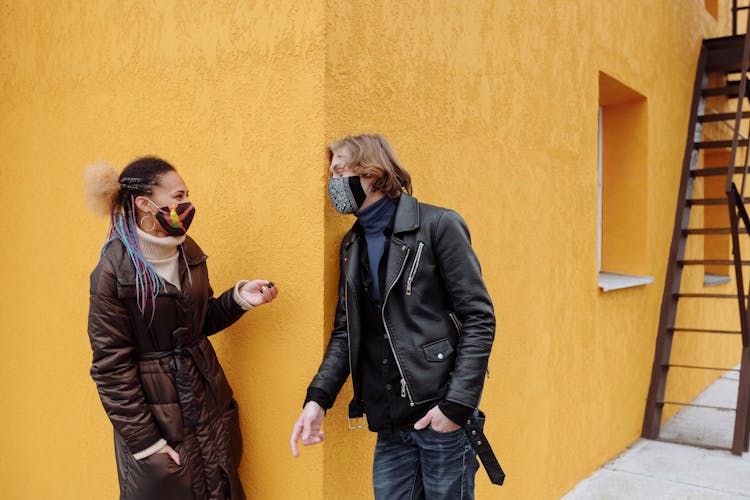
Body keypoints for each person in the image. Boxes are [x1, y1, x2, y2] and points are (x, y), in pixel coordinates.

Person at [290, 134, 497, 499]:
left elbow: (479, 318)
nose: (332, 184)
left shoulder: (438, 225)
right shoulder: (352, 244)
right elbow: (346, 331)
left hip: (440, 415)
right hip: (389, 421)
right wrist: (317, 399)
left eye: (339, 172)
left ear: (371, 174)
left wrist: (456, 407)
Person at [85, 156, 278, 500]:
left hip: (207, 409)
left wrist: (238, 299)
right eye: (178, 196)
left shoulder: (188, 252)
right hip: (161, 428)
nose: (186, 204)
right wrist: (147, 444)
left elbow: (195, 325)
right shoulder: (113, 272)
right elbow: (110, 368)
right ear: (145, 203)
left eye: (186, 195)